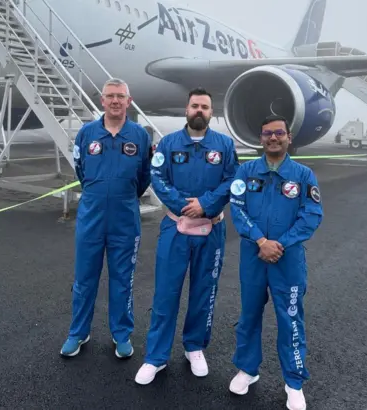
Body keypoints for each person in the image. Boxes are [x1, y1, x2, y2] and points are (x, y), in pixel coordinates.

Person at [134, 87, 239, 385]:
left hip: (211, 229)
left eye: (205, 107)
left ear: (211, 112)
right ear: (186, 109)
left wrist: (205, 203)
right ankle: (156, 356)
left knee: (204, 291)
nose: (199, 111)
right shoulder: (168, 144)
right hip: (175, 229)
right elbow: (158, 178)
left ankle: (194, 347)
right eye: (195, 106)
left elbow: (233, 179)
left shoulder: (225, 146)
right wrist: (183, 205)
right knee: (166, 292)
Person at [228, 114, 323, 410]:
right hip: (254, 256)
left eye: (279, 133)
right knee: (249, 316)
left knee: (291, 320)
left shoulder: (304, 175)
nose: (273, 137)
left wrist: (280, 244)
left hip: (287, 259)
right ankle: (247, 369)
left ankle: (293, 382)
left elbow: (311, 215)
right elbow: (237, 209)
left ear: (288, 137)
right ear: (260, 138)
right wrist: (260, 241)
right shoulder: (246, 172)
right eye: (267, 133)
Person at [60, 78, 153, 359]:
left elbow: (144, 177)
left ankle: (121, 333)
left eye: (120, 96)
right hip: (91, 216)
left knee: (123, 279)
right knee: (85, 278)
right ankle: (78, 332)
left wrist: (123, 195)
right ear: (102, 100)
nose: (115, 101)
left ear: (129, 100)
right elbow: (81, 170)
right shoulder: (87, 134)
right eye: (110, 96)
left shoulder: (140, 136)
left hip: (125, 218)